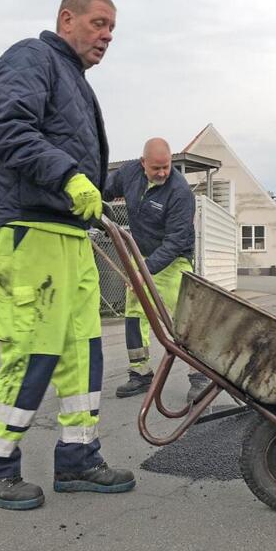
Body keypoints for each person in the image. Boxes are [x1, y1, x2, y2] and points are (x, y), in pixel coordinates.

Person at [0, 0, 135, 511]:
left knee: (83, 351)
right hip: (28, 230)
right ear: (68, 19)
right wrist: (70, 177)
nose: (107, 35)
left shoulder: (77, 84)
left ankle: (78, 458)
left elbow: (75, 161)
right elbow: (11, 132)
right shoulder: (31, 57)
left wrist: (100, 184)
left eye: (113, 28)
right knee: (33, 349)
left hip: (68, 235)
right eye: (99, 23)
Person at [103, 138, 209, 401]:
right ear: (143, 164)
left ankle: (200, 376)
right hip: (142, 255)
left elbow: (174, 242)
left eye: (167, 167)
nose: (162, 173)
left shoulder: (180, 192)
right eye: (156, 168)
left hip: (174, 259)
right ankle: (140, 373)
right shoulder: (128, 174)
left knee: (180, 316)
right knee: (135, 314)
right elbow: (105, 189)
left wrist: (143, 271)